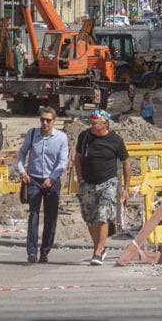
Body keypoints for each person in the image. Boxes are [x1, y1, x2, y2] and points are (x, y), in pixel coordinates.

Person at [74, 109, 131, 266]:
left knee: (103, 215)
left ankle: (97, 252)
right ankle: (99, 247)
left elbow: (126, 162)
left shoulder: (116, 140)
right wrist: (79, 179)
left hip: (108, 182)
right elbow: (77, 157)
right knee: (90, 219)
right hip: (87, 182)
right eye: (89, 123)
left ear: (104, 123)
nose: (90, 126)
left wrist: (126, 188)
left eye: (94, 123)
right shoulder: (84, 137)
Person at [16, 106, 69, 264]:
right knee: (33, 214)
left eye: (48, 120)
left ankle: (45, 251)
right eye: (42, 120)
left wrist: (52, 178)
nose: (44, 123)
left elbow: (63, 161)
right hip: (34, 180)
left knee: (50, 217)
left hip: (51, 182)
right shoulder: (32, 134)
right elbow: (22, 152)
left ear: (54, 121)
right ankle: (31, 251)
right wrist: (21, 171)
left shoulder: (61, 138)